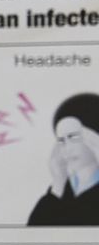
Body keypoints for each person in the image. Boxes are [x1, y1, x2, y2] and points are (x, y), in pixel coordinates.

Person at [28, 94, 99, 226]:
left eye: (73, 137)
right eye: (61, 140)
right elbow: (32, 237)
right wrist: (58, 185)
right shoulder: (61, 189)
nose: (67, 148)